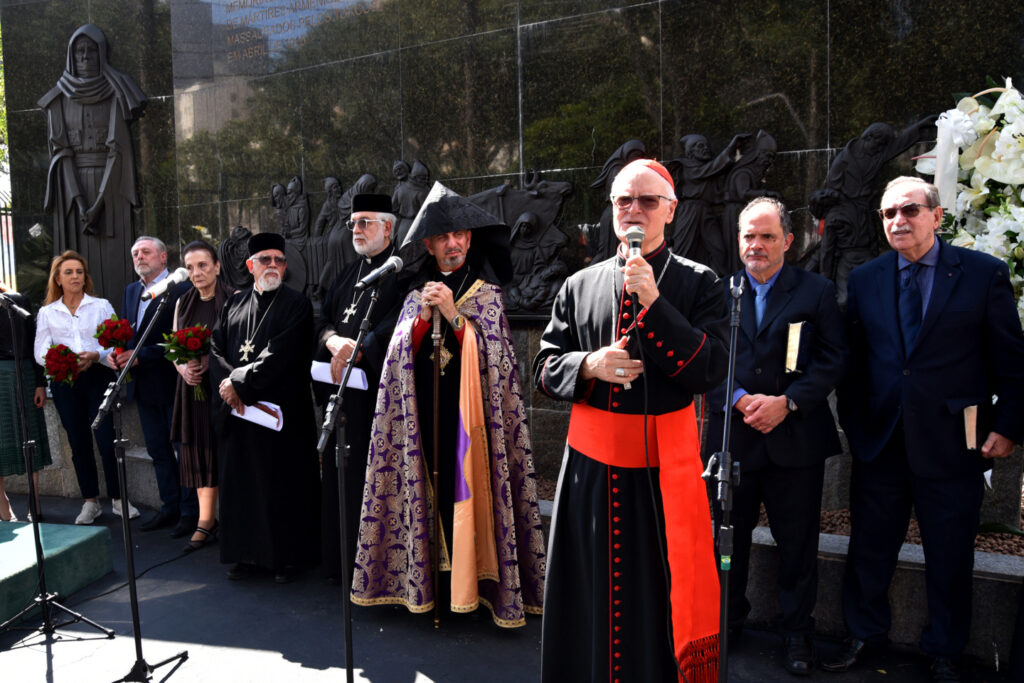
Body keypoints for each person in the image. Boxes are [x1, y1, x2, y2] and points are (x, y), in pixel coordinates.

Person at [534, 158, 728, 682]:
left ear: (671, 209)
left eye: (646, 201)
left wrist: (654, 301)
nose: (634, 210)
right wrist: (588, 365)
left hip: (662, 476)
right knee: (590, 592)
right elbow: (544, 368)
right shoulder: (578, 285)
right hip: (590, 473)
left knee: (654, 596)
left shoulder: (700, 282)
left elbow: (709, 369)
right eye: (624, 200)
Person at [826, 177, 1024, 681]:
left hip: (954, 442)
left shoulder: (983, 275)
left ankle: (945, 651)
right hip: (882, 440)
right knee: (870, 546)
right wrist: (857, 423)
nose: (898, 221)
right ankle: (863, 634)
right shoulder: (868, 278)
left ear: (937, 216)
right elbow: (854, 362)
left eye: (910, 210)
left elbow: (1013, 362)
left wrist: (1008, 426)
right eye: (888, 212)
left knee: (950, 551)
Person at [351, 184, 545, 628]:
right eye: (443, 237)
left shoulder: (487, 294)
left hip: (473, 425)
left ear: (470, 239)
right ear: (429, 244)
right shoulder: (415, 291)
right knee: (428, 496)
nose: (452, 244)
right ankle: (427, 587)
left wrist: (456, 318)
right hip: (424, 418)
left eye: (459, 235)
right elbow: (397, 356)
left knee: (469, 495)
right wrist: (422, 318)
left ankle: (475, 591)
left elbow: (498, 362)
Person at [705, 197, 847, 674]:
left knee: (798, 544)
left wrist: (787, 403)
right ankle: (728, 622)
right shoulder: (717, 292)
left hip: (795, 438)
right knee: (728, 539)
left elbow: (833, 358)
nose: (757, 245)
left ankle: (797, 635)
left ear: (788, 241)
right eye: (749, 236)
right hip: (734, 436)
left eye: (767, 236)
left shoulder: (816, 291)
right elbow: (700, 356)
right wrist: (740, 398)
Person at [210, 232, 319, 583]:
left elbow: (282, 353)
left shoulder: (296, 305)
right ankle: (247, 557)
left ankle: (286, 560)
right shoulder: (233, 303)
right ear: (250, 266)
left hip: (280, 413)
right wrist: (229, 385)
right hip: (239, 415)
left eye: (278, 260)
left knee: (281, 486)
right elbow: (214, 349)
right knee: (241, 485)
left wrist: (238, 383)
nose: (273, 266)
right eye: (265, 260)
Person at [314, 194, 404, 582]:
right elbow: (323, 315)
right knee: (339, 476)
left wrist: (362, 348)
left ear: (387, 227)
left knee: (370, 479)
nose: (356, 229)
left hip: (378, 400)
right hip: (340, 394)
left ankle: (373, 569)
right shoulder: (347, 273)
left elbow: (401, 324)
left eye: (365, 222)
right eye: (353, 222)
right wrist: (333, 340)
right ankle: (339, 562)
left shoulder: (403, 272)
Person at [38, 24, 147, 301]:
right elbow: (62, 152)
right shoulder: (57, 99)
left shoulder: (117, 92)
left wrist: (98, 204)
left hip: (111, 187)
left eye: (90, 51)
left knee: (114, 264)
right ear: (70, 57)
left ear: (102, 54)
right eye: (79, 52)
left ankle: (120, 328)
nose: (84, 57)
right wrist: (80, 202)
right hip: (73, 190)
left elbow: (117, 150)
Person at [34, 251, 139, 524]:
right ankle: (90, 502)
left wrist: (96, 356)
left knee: (106, 440)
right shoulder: (47, 312)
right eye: (68, 272)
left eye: (79, 272)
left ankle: (118, 499)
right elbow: (40, 350)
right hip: (65, 382)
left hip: (98, 378)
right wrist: (62, 361)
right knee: (78, 442)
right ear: (57, 278)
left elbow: (115, 342)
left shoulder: (101, 305)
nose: (75, 277)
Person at [110, 236, 197, 537]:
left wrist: (139, 356)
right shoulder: (131, 291)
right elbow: (130, 333)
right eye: (135, 253)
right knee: (157, 449)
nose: (139, 257)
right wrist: (117, 352)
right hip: (143, 387)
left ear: (162, 257)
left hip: (172, 381)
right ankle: (169, 507)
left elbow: (182, 338)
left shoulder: (181, 287)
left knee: (180, 450)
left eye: (145, 252)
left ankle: (190, 513)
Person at [171, 240, 233, 552]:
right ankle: (205, 521)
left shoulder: (233, 299)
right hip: (192, 389)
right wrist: (183, 367)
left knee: (222, 450)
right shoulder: (183, 301)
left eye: (203, 265)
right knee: (198, 452)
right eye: (191, 267)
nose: (196, 273)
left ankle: (231, 520)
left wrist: (211, 364)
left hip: (222, 389)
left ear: (217, 267)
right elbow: (173, 346)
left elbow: (238, 345)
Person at [0, 284, 52, 521]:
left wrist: (40, 382)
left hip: (24, 372)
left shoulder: (17, 301)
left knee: (29, 435)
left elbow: (35, 342)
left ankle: (35, 502)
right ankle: (3, 505)